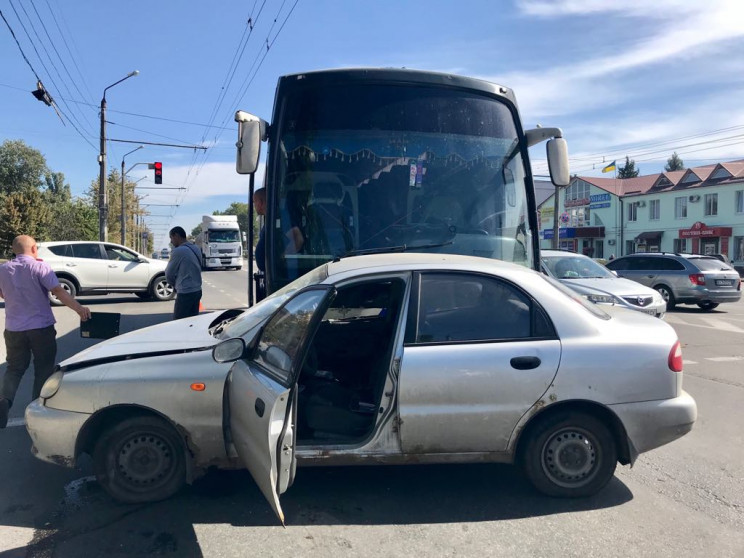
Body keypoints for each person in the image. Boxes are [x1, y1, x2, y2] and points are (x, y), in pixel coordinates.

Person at [0, 235, 91, 428]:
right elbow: (58, 292)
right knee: (43, 368)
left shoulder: (3, 270)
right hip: (41, 328)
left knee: (14, 368)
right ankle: (36, 412)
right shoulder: (40, 267)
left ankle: (4, 401)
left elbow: (2, 294)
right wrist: (79, 309)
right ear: (33, 249)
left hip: (14, 328)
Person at [165, 226, 202, 319]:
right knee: (193, 321)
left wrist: (175, 285)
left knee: (179, 323)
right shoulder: (196, 248)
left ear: (176, 236)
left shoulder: (178, 251)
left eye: (171, 238)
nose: (171, 241)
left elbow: (169, 274)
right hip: (197, 290)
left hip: (185, 293)